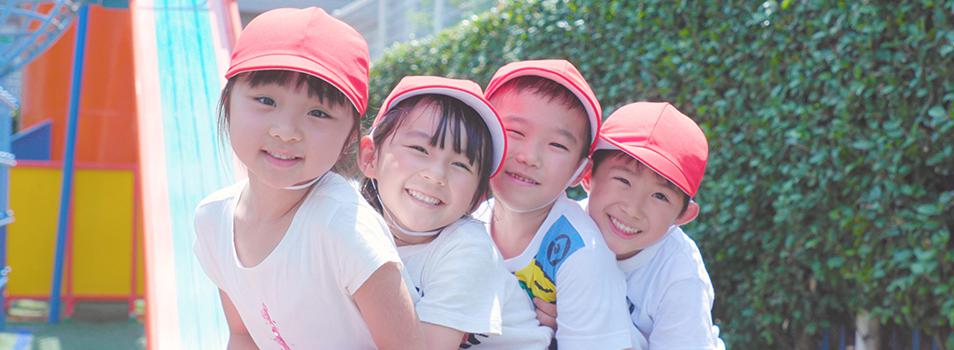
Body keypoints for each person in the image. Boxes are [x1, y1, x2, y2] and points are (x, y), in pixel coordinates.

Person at [192, 8, 423, 349]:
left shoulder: (346, 230)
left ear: (349, 137)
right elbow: (243, 335)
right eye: (265, 100)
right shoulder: (212, 220)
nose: (286, 132)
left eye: (318, 112)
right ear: (227, 101)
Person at [357, 75, 553, 349]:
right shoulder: (350, 218)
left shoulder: (467, 248)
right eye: (419, 149)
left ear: (477, 198)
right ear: (370, 157)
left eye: (461, 165)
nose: (436, 175)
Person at [474, 59, 634, 349]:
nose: (529, 157)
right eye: (515, 132)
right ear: (483, 135)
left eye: (557, 145)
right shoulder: (466, 222)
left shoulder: (581, 254)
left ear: (579, 171)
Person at [581, 102, 726, 349]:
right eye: (623, 180)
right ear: (587, 175)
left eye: (660, 196)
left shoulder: (679, 274)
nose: (633, 209)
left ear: (683, 215)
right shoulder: (559, 225)